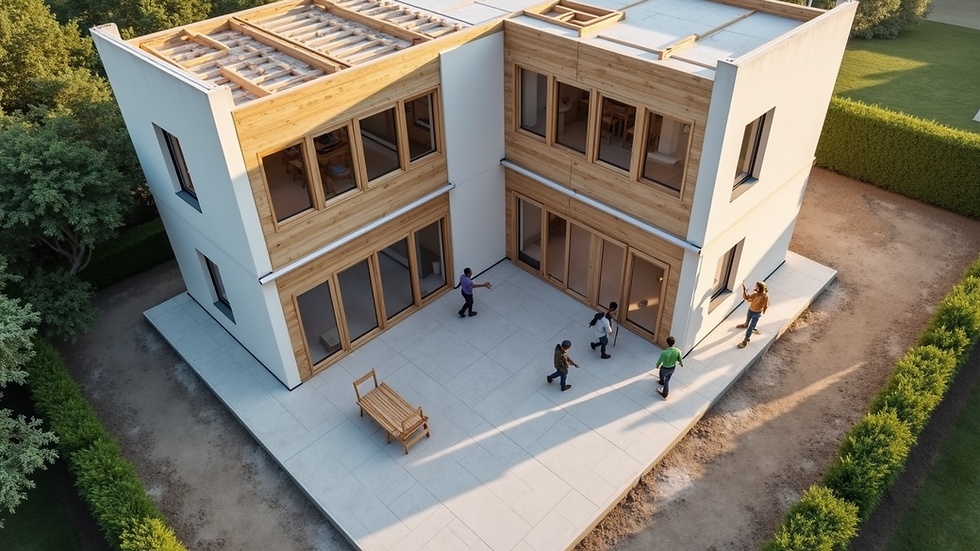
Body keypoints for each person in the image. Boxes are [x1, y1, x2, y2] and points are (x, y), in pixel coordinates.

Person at [737, 281, 769, 348]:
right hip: (751, 310)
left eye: (756, 287)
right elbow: (747, 298)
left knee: (750, 327)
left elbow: (766, 305)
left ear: (760, 288)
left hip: (757, 313)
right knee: (748, 320)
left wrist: (764, 311)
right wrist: (744, 291)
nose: (755, 288)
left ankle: (746, 339)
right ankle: (746, 325)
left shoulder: (765, 296)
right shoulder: (755, 294)